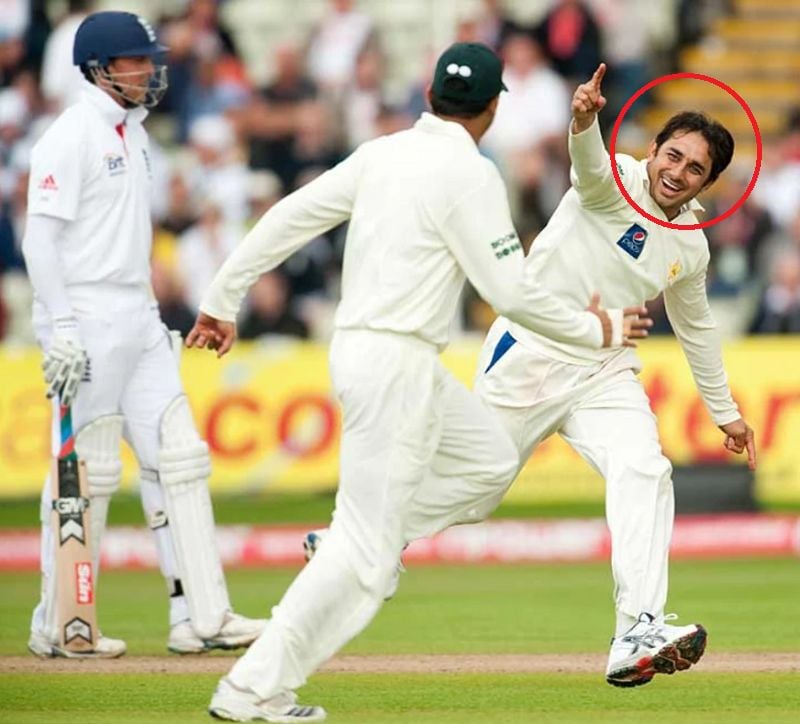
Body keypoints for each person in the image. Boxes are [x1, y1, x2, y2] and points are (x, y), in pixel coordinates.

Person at [187, 42, 650, 720]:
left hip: (375, 356)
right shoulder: (472, 173)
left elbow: (291, 215)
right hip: (396, 366)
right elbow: (511, 293)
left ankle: (368, 536)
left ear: (431, 96)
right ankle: (252, 688)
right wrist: (601, 331)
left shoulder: (384, 152)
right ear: (493, 108)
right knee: (365, 563)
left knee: (491, 458)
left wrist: (220, 299)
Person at [401, 63, 757, 688]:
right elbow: (588, 174)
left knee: (644, 467)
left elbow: (697, 330)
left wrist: (724, 412)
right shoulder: (616, 175)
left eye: (694, 168)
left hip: (605, 365)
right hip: (533, 348)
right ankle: (364, 539)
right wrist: (583, 123)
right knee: (477, 492)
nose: (676, 172)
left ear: (710, 182)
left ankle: (637, 631)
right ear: (653, 148)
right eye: (672, 155)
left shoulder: (691, 245)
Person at [21, 11, 264, 659]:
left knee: (180, 458)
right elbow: (38, 239)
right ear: (100, 69)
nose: (148, 70)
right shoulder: (69, 135)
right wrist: (62, 325)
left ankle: (200, 617)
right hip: (89, 319)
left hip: (140, 314)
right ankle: (60, 622)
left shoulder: (137, 134)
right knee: (90, 470)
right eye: (135, 61)